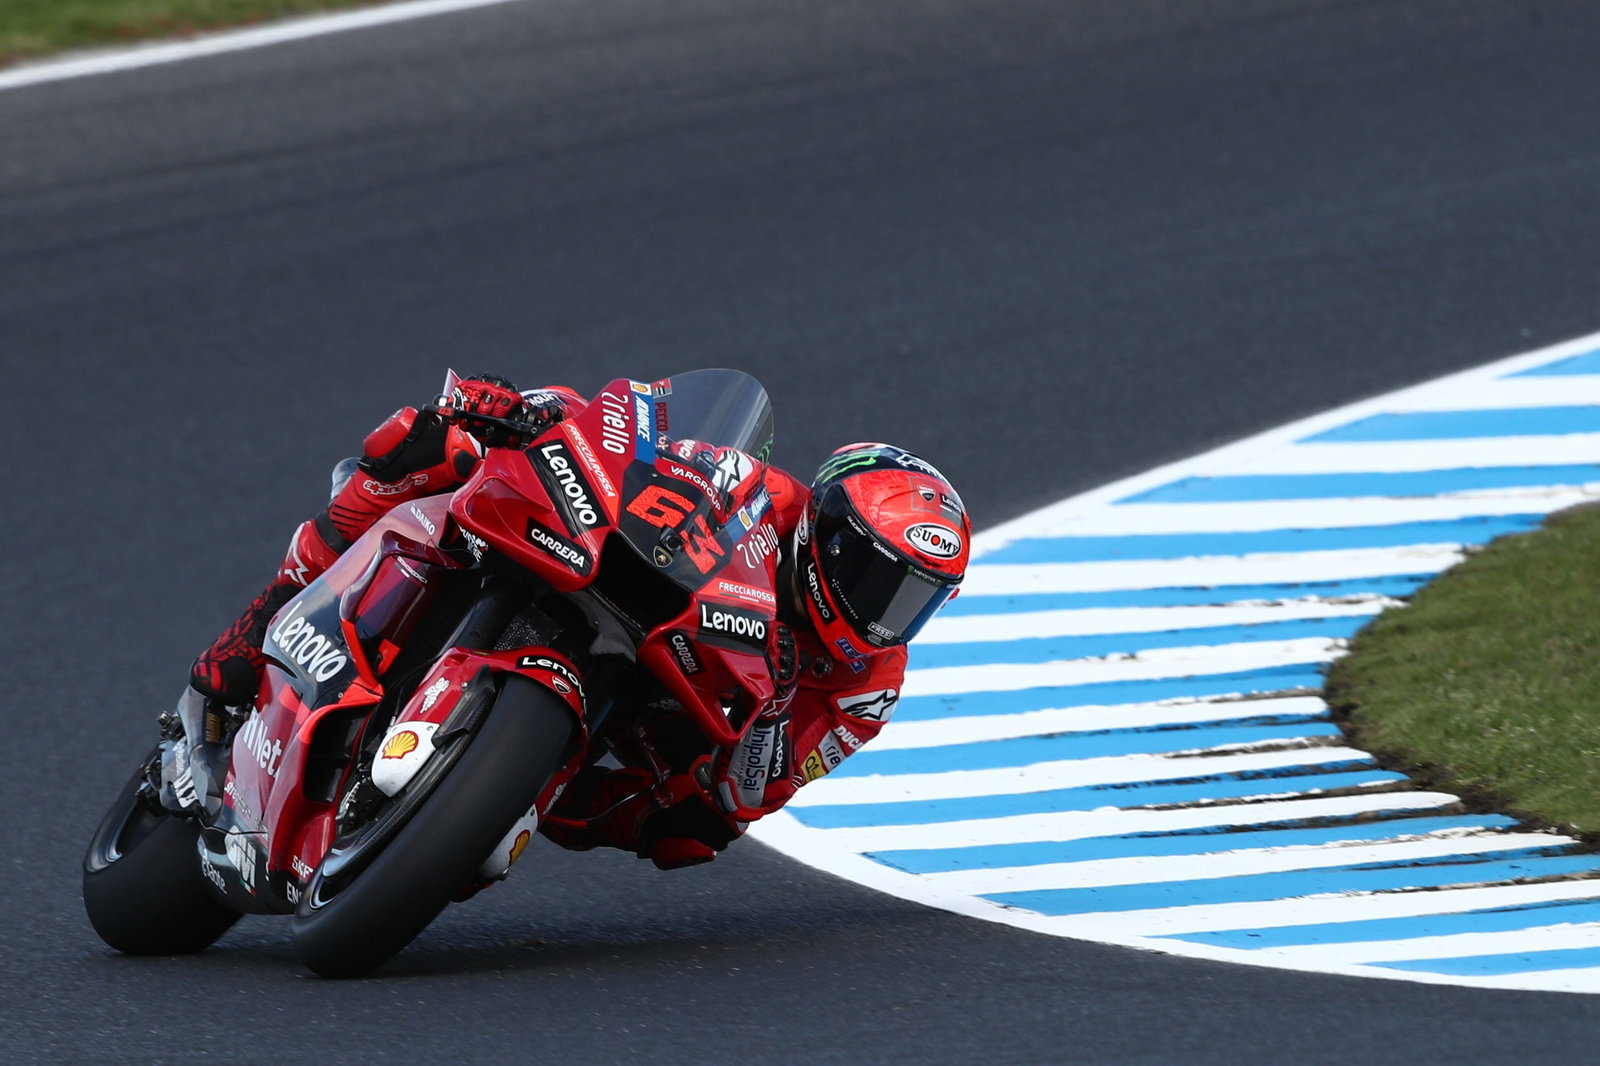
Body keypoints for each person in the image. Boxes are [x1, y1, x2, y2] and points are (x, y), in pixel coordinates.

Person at [181, 373, 971, 869]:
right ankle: (252, 638)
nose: (883, 611)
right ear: (828, 531)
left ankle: (466, 807)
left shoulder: (865, 689)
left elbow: (753, 793)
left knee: (676, 832)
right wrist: (527, 413)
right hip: (612, 579)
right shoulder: (760, 491)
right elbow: (633, 441)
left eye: (914, 599)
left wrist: (733, 766)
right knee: (431, 446)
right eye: (877, 578)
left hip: (663, 714)